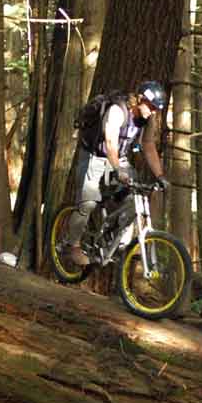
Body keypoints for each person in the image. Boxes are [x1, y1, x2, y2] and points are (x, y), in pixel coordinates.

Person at [65, 80, 170, 266]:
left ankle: (113, 241)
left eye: (156, 108)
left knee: (134, 200)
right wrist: (117, 170)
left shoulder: (147, 119)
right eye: (151, 106)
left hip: (118, 158)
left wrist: (160, 176)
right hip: (95, 156)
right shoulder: (117, 111)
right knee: (88, 203)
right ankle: (72, 245)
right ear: (140, 99)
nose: (153, 111)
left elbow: (148, 145)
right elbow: (110, 142)